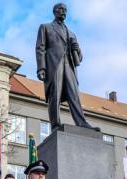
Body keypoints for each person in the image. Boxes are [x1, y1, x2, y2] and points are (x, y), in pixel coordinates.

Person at [36, 3, 99, 132]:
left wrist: (77, 50)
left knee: (74, 95)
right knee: (55, 95)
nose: (63, 12)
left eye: (65, 10)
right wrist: (41, 68)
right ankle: (55, 124)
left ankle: (81, 122)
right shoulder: (46, 27)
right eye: (60, 9)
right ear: (54, 11)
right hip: (54, 65)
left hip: (69, 66)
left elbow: (79, 58)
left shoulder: (71, 33)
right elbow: (40, 48)